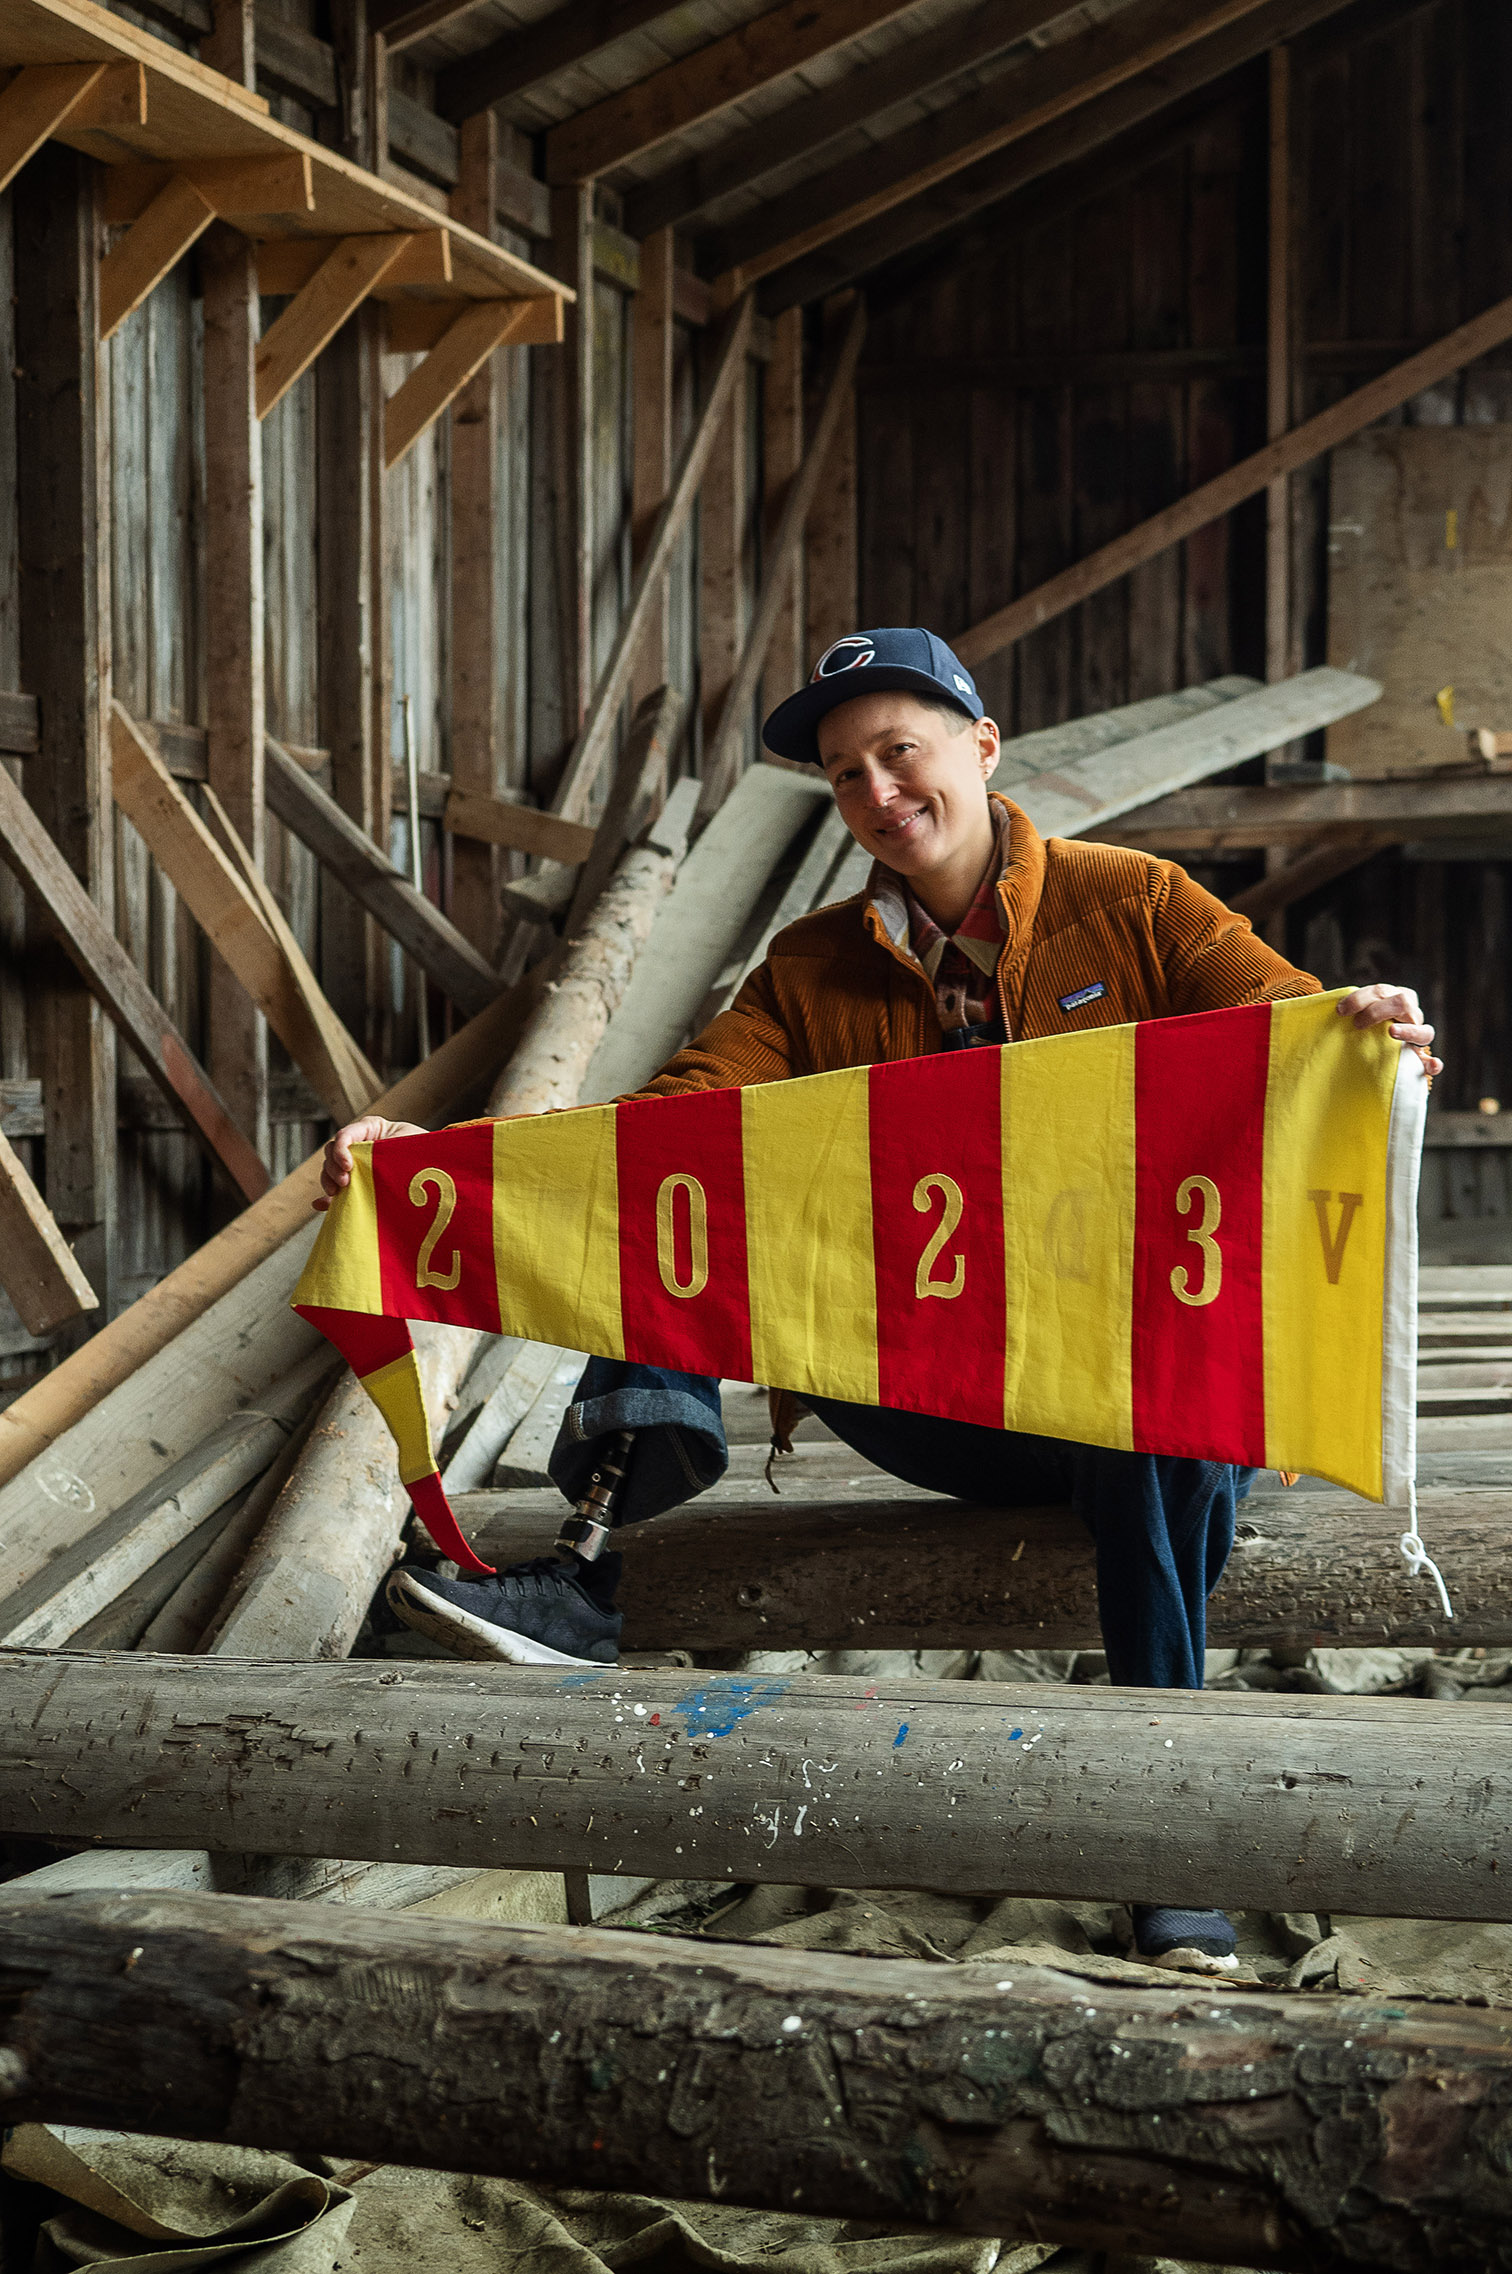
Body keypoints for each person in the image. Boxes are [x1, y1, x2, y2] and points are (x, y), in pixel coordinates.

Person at [319, 626, 1440, 1969]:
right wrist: (437, 1160)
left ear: (983, 746)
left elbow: (1290, 1020)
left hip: (1145, 1391)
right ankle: (588, 1569)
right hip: (947, 1395)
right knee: (680, 1179)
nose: (878, 793)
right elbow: (673, 1119)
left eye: (900, 753)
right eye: (846, 775)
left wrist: (1367, 1032)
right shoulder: (809, 967)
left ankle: (1167, 1835)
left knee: (1157, 1419)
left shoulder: (1137, 902)